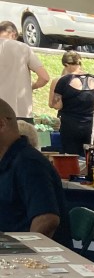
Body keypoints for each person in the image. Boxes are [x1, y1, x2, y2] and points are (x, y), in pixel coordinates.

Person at [0, 99, 71, 244]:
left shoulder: (29, 163)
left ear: (1, 124)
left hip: (34, 259)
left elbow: (47, 220)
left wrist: (21, 254)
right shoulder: (8, 161)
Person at [48, 52, 94, 159]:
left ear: (66, 65)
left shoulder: (63, 81)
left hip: (71, 127)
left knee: (71, 160)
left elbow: (56, 105)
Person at [0, 22, 48, 122]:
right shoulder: (23, 48)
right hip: (20, 111)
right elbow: (44, 77)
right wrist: (32, 86)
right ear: (13, 34)